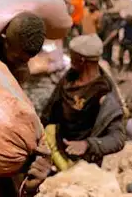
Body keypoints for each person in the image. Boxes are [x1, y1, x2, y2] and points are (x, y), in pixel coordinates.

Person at [41, 35, 126, 166]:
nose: (69, 57)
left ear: (81, 60)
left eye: (72, 55)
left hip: (83, 163)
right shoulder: (70, 78)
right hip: (57, 149)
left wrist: (88, 145)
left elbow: (118, 139)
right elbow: (50, 110)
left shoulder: (103, 93)